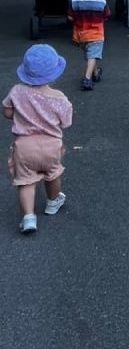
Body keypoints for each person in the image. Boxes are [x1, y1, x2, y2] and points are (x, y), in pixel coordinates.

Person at [3, 44, 73, 234]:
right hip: (51, 146)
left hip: (24, 146)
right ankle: (52, 202)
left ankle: (28, 217)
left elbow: (7, 112)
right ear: (54, 74)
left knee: (25, 182)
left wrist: (19, 115)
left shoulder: (17, 91)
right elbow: (66, 122)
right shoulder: (60, 98)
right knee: (53, 175)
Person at [70, 0, 110, 91]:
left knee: (90, 55)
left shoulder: (75, 1)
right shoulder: (101, 2)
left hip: (80, 34)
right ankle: (87, 78)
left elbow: (70, 16)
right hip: (96, 34)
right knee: (92, 56)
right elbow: (106, 15)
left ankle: (96, 73)